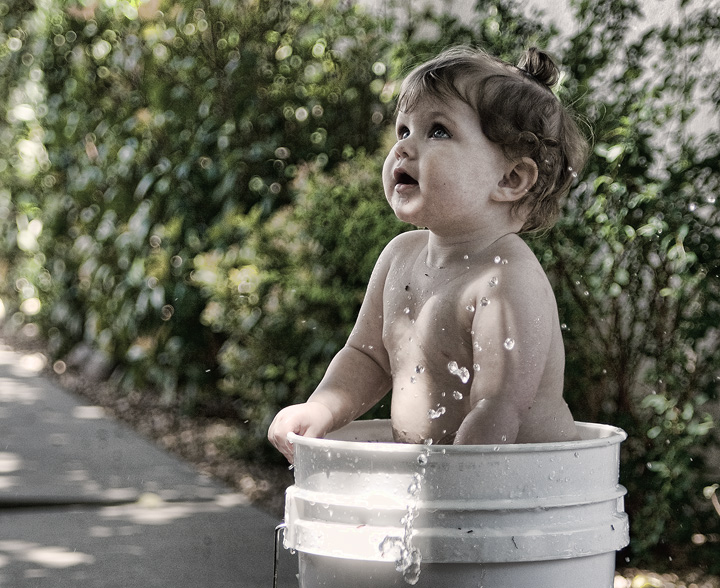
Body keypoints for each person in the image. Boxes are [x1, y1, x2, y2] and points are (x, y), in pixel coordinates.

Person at [268, 45, 589, 463]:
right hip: (435, 484)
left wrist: (453, 483)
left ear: (511, 178)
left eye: (438, 131)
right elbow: (368, 357)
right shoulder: (400, 255)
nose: (403, 148)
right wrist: (321, 408)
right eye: (403, 131)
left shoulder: (507, 278)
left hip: (523, 497)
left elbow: (499, 408)